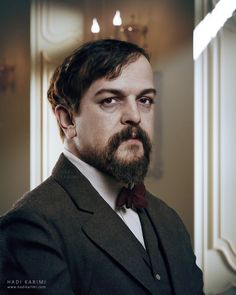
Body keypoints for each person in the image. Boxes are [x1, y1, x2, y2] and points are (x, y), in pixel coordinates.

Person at [0, 39, 204, 294]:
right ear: (67, 119)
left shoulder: (169, 219)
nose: (135, 116)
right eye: (110, 100)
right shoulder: (29, 227)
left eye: (144, 100)